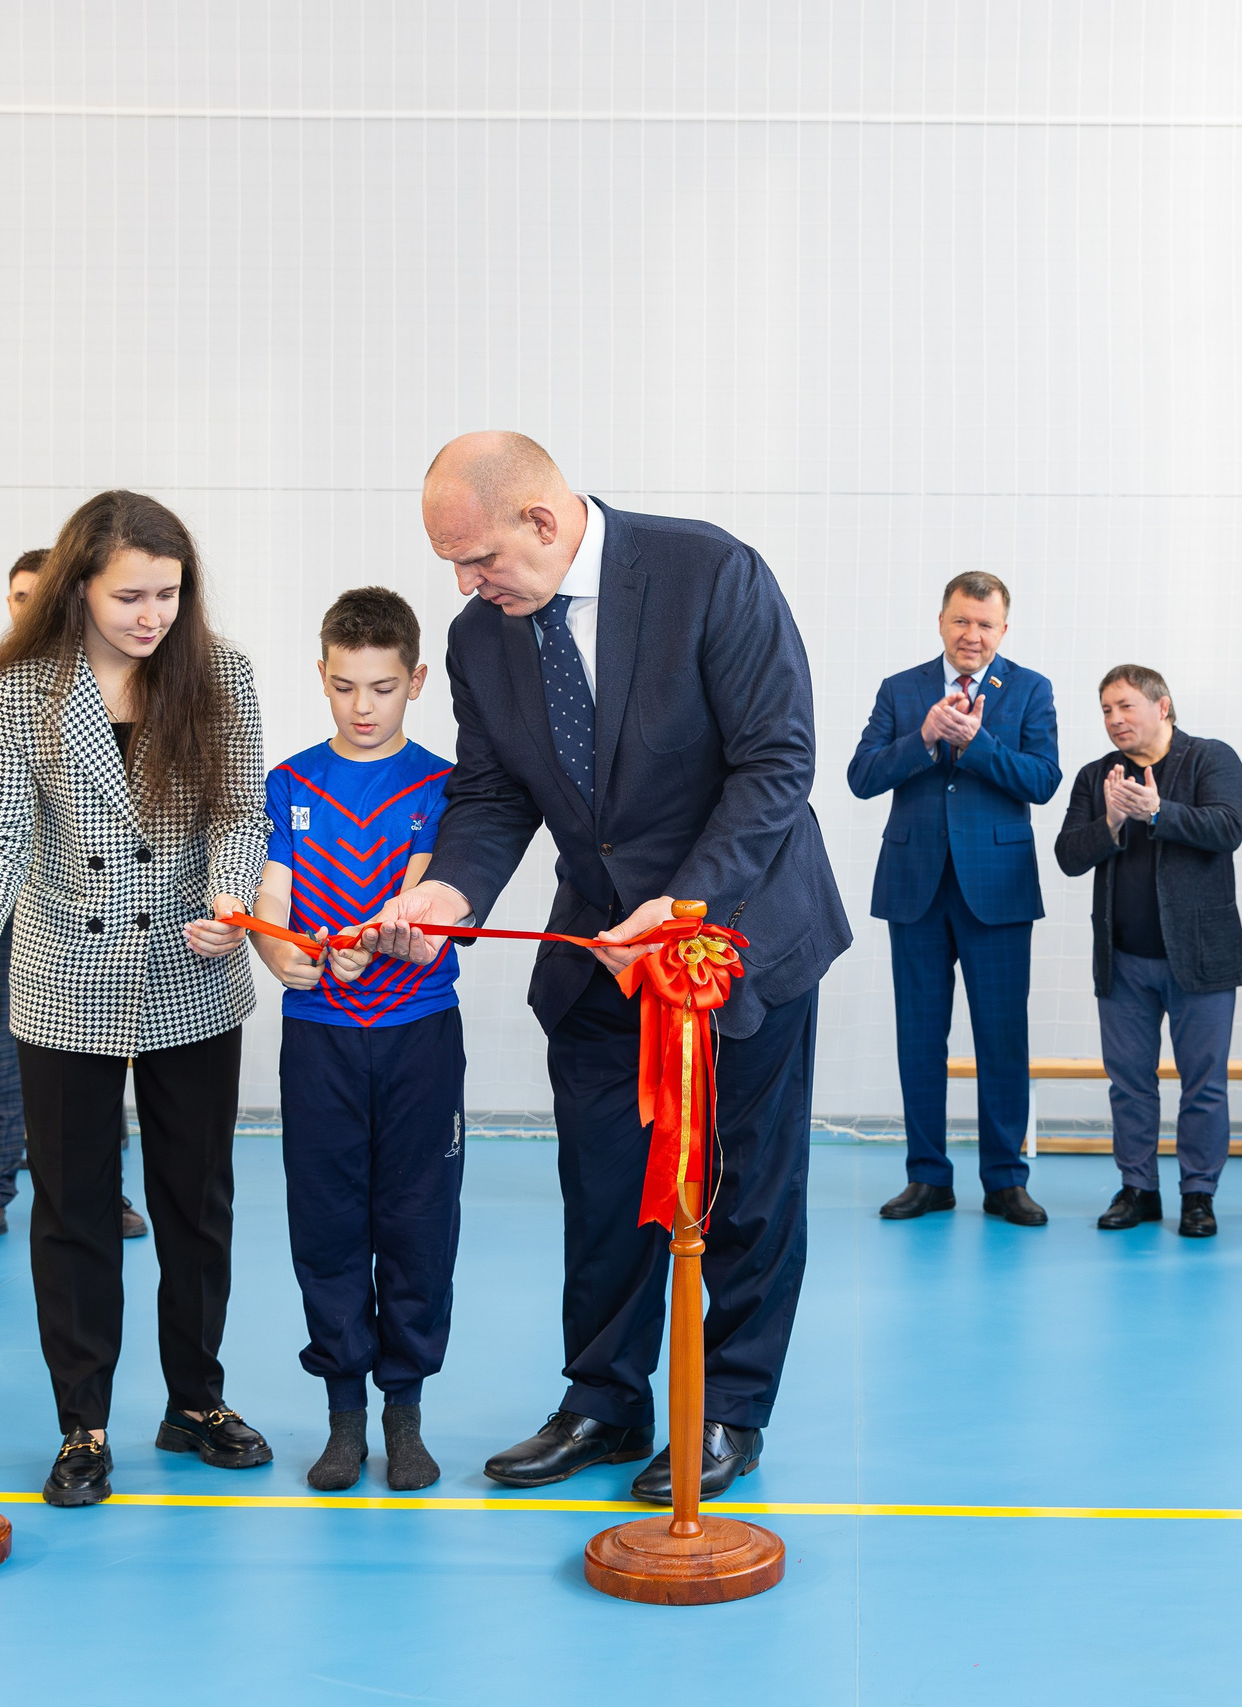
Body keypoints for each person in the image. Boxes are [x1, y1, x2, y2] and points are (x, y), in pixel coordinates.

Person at [361, 432, 850, 1506]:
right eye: (449, 563)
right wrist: (450, 891)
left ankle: (727, 1409)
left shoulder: (707, 573)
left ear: (542, 520)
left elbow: (778, 760)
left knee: (746, 1187)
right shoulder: (483, 635)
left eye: (477, 557)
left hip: (734, 935)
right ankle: (604, 1397)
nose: (464, 584)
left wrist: (681, 909)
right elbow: (492, 796)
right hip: (597, 958)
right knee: (602, 1185)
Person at [0, 490, 274, 1507]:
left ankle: (195, 1401)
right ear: (79, 584)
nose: (151, 614)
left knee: (195, 1201)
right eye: (130, 594)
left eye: (169, 594)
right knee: (73, 1210)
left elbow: (241, 811)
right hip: (61, 975)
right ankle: (82, 1424)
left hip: (190, 967)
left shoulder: (223, 676)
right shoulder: (18, 691)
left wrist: (228, 895)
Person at [251, 587, 463, 1493]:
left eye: (381, 687)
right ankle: (344, 1413)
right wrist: (277, 950)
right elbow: (269, 888)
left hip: (416, 1032)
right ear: (323, 676)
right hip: (320, 1039)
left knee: (418, 1218)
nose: (363, 707)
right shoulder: (291, 781)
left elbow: (423, 884)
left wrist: (376, 934)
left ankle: (405, 1409)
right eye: (344, 686)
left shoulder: (443, 783)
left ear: (416, 679)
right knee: (328, 1217)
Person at [848, 573, 1061, 1226]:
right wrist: (921, 739)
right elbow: (861, 776)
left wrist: (975, 743)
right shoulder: (901, 689)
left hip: (997, 891)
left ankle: (1004, 1179)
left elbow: (1044, 779)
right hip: (915, 888)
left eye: (986, 624)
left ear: (1004, 630)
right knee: (920, 1039)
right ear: (942, 621)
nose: (972, 635)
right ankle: (928, 1176)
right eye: (962, 621)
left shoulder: (1030, 689)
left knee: (1003, 1039)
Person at [0, 549, 125, 1250]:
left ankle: (107, 1189)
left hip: (96, 899)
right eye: (19, 595)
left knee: (103, 1045)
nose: (30, 606)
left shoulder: (120, 678)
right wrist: (19, 756)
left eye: (42, 595)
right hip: (5, 893)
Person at [1055, 665, 1242, 1237]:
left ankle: (1199, 1195)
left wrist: (1158, 812)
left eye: (1125, 707)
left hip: (1202, 958)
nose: (1115, 720)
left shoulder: (1212, 759)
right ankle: (1137, 1188)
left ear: (1162, 706)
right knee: (1130, 1084)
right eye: (1107, 711)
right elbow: (1069, 854)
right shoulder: (1097, 777)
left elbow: (1227, 827)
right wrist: (1113, 821)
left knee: (1204, 1083)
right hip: (1123, 961)